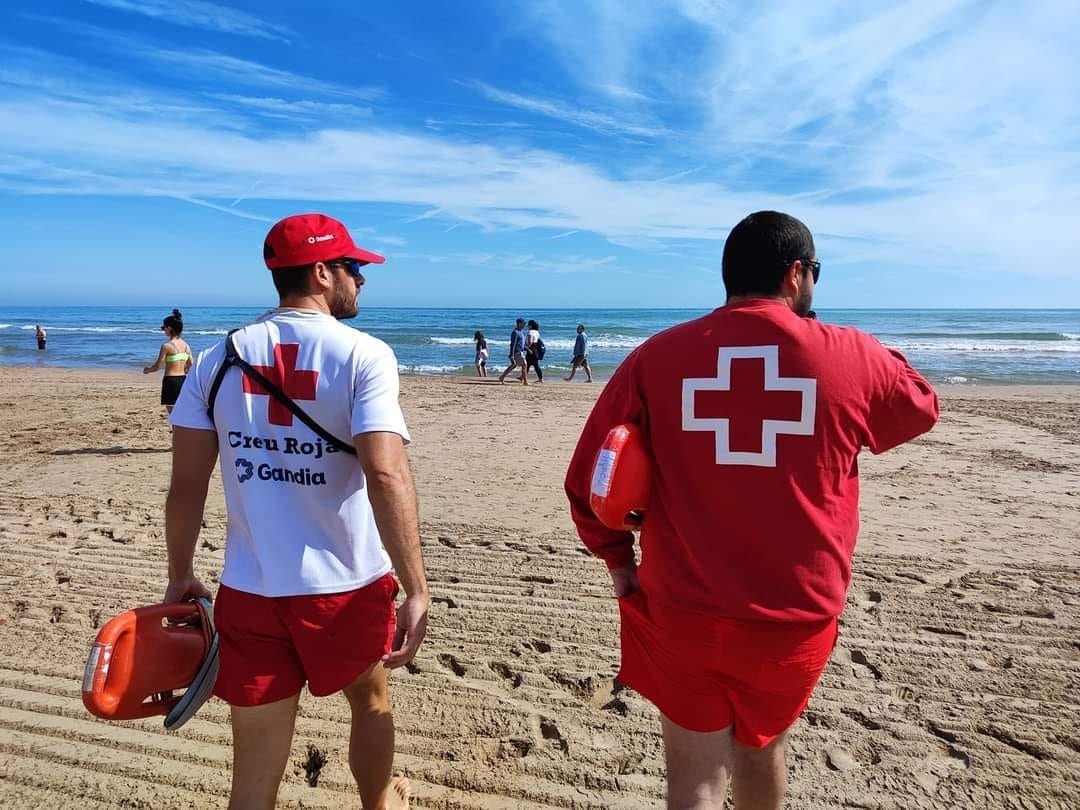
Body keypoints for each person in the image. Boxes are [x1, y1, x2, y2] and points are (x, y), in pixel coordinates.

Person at [564, 211, 939, 810]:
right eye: (816, 272)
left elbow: (590, 477)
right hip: (795, 617)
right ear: (796, 274)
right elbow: (919, 404)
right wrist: (861, 348)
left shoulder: (655, 358)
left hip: (680, 608)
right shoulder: (850, 354)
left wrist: (617, 562)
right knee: (764, 751)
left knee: (693, 779)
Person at [165, 213, 428, 810]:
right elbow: (386, 473)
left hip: (252, 589)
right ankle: (379, 801)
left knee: (252, 773)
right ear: (320, 271)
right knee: (371, 701)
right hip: (346, 586)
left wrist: (180, 572)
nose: (362, 280)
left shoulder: (215, 361)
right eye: (354, 268)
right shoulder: (364, 356)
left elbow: (186, 488)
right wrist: (416, 587)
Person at [143, 309, 192, 415]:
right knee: (182, 412)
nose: (163, 330)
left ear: (169, 328)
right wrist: (184, 369)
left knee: (173, 413)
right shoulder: (186, 346)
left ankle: (176, 431)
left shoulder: (166, 346)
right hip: (183, 380)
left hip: (171, 381)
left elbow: (157, 366)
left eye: (163, 327)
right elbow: (191, 365)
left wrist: (147, 370)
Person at [497, 318, 528, 385]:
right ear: (519, 323)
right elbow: (513, 344)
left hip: (521, 352)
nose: (524, 325)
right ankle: (525, 381)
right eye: (523, 324)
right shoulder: (515, 332)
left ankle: (502, 377)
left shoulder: (521, 332)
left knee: (514, 365)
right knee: (524, 365)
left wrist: (528, 349)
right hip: (517, 352)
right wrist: (512, 354)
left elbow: (523, 344)